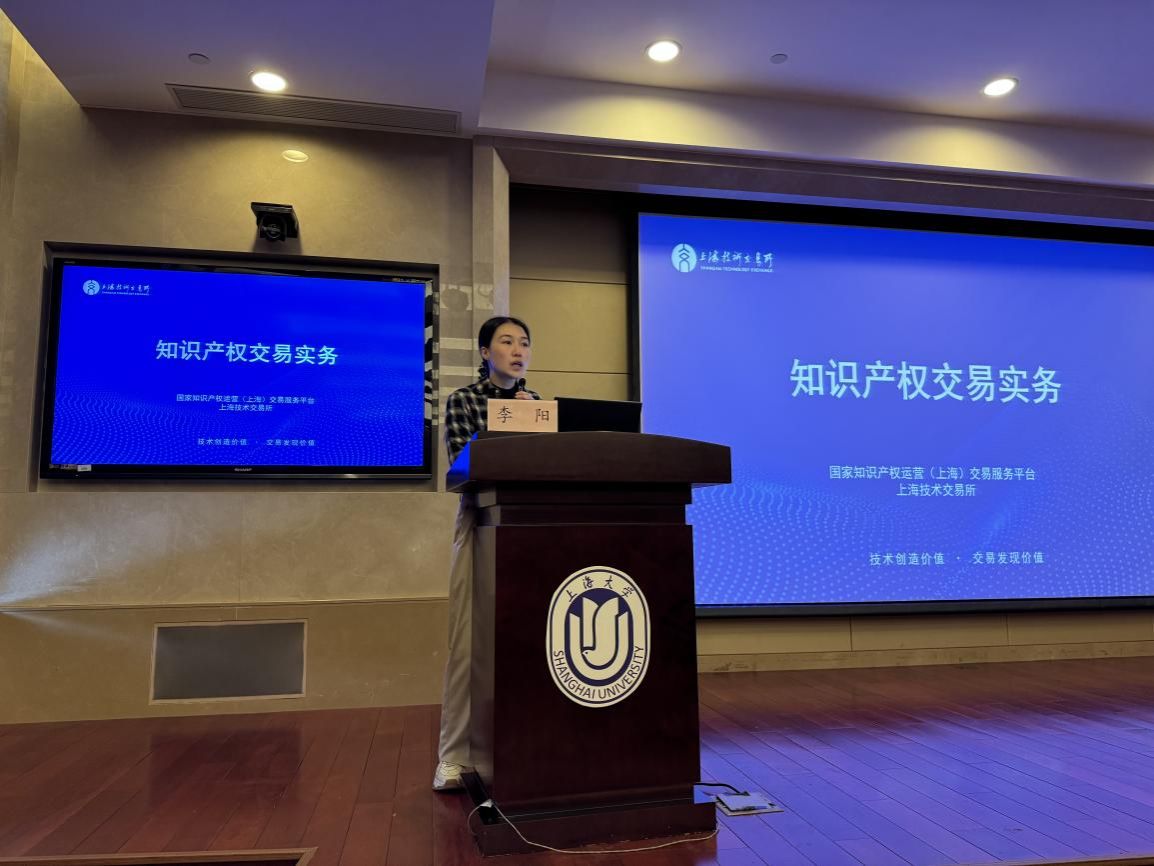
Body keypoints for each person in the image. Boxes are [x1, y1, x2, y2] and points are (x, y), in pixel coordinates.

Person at [433, 315, 540, 791]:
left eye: (524, 343)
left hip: (531, 527)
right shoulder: (464, 400)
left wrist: (531, 420)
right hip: (479, 522)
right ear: (484, 353)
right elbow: (460, 465)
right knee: (468, 642)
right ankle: (454, 756)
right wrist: (507, 427)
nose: (518, 351)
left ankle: (527, 744)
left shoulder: (538, 405)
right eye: (507, 342)